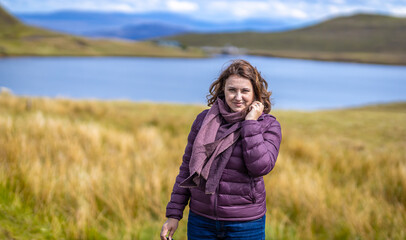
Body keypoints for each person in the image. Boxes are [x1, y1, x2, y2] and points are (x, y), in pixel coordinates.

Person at [160, 59, 282, 240]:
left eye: (245, 91)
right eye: (232, 90)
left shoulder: (268, 125)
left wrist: (250, 123)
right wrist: (174, 214)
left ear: (255, 92)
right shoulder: (205, 120)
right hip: (201, 221)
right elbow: (187, 168)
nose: (238, 97)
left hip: (245, 224)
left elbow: (260, 167)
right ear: (223, 91)